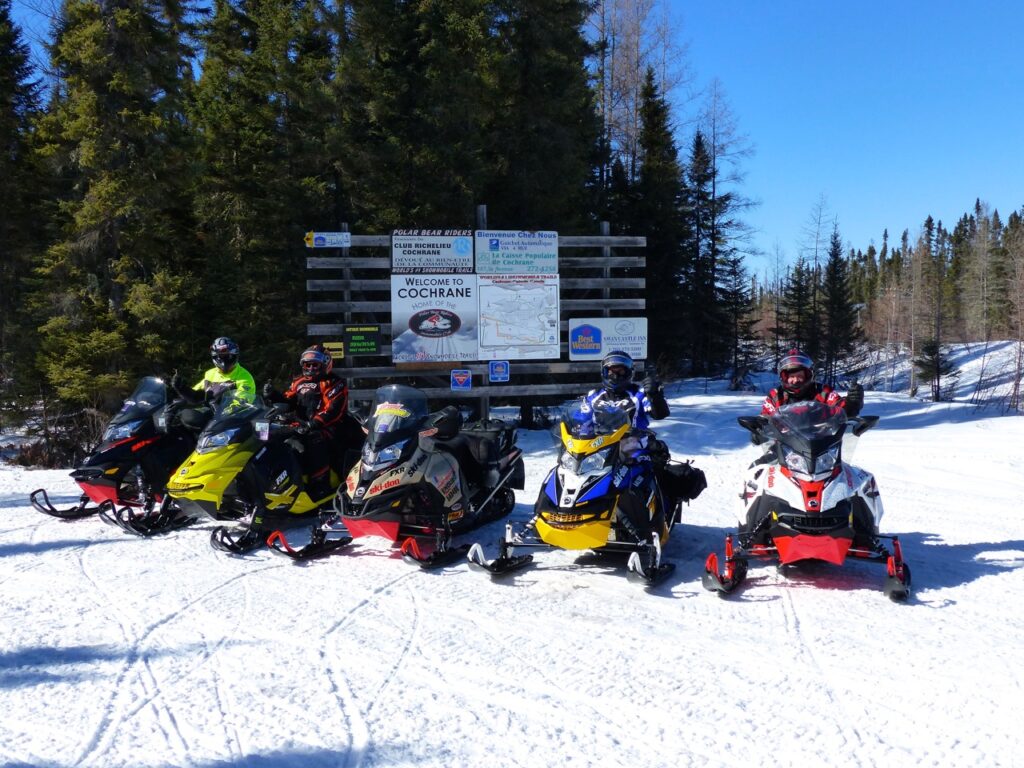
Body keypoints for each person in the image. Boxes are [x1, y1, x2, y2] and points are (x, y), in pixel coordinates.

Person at [262, 344, 349, 501]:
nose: (311, 368)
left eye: (314, 365)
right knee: (272, 438)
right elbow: (288, 401)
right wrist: (273, 395)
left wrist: (313, 424)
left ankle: (320, 485)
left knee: (314, 440)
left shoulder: (334, 383)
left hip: (328, 427)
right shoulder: (298, 382)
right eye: (307, 365)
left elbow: (333, 410)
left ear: (325, 364)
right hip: (300, 425)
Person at [170, 337, 257, 430]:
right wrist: (182, 388)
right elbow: (195, 396)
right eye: (221, 356)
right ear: (215, 357)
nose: (224, 360)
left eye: (228, 356)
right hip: (210, 419)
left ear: (235, 355)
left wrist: (220, 409)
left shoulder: (244, 376)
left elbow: (242, 403)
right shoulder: (210, 374)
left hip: (231, 422)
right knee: (184, 420)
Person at [761, 349, 864, 418]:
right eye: (791, 377)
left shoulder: (823, 392)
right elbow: (764, 418)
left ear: (808, 375)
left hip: (820, 444)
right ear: (784, 377)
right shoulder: (775, 396)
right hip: (783, 446)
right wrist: (757, 429)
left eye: (800, 376)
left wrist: (852, 403)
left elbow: (841, 408)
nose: (795, 380)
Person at [584, 350, 670, 430]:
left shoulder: (639, 394)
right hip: (601, 443)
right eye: (611, 372)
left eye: (620, 372)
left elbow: (660, 414)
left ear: (629, 372)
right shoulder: (593, 395)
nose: (615, 376)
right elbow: (581, 419)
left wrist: (655, 395)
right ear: (605, 372)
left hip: (633, 442)